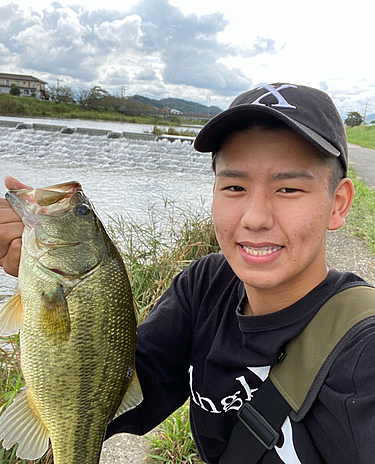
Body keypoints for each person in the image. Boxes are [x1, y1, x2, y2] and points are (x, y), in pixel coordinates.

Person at [1, 82, 374, 464]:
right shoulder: (205, 286)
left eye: (289, 189)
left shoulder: (364, 353)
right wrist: (47, 289)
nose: (255, 218)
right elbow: (122, 383)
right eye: (234, 186)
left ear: (338, 204)